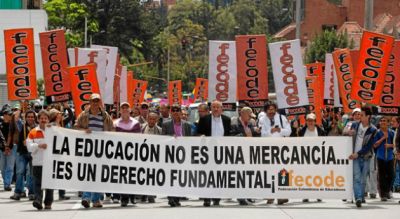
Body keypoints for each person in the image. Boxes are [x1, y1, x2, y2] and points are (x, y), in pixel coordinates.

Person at [75, 93, 114, 208]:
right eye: (93, 101)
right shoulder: (83, 114)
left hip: (101, 148)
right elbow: (75, 127)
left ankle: (96, 199)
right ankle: (86, 197)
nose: (95, 103)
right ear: (90, 102)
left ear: (100, 102)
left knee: (98, 174)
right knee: (88, 173)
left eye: (97, 101)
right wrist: (84, 130)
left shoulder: (105, 115)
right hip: (87, 147)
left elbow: (111, 128)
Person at [197, 100, 231, 207]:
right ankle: (207, 198)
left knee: (219, 175)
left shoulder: (227, 120)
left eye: (218, 107)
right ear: (211, 109)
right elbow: (198, 133)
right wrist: (201, 136)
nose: (216, 109)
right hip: (207, 152)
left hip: (222, 152)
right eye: (214, 107)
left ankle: (217, 198)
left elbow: (229, 135)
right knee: (207, 175)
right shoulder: (204, 119)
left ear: (222, 109)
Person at [162, 104, 193, 207]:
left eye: (177, 110)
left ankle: (177, 197)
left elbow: (190, 139)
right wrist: (171, 137)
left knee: (180, 176)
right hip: (170, 154)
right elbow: (163, 138)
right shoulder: (166, 124)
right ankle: (171, 197)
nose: (175, 112)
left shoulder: (187, 125)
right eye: (173, 110)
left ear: (181, 112)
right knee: (171, 176)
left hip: (183, 154)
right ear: (171, 113)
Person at [259, 102, 290, 205]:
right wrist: (270, 131)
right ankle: (270, 195)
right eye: (269, 109)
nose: (271, 111)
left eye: (273, 109)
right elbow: (262, 134)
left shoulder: (282, 118)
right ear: (266, 110)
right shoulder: (262, 119)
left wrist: (279, 130)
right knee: (269, 171)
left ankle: (282, 195)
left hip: (281, 148)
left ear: (275, 109)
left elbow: (289, 132)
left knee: (283, 171)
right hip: (268, 149)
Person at [230, 107, 261, 205]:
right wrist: (245, 136)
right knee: (240, 176)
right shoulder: (234, 124)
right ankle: (241, 196)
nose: (251, 118)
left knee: (248, 175)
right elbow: (231, 137)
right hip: (238, 153)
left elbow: (255, 137)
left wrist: (257, 132)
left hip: (249, 153)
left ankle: (248, 195)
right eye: (249, 116)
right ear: (243, 114)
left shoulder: (251, 123)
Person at [348, 107, 377, 208]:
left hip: (365, 157)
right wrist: (348, 132)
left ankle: (361, 196)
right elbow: (343, 130)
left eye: (362, 115)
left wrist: (358, 154)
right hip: (354, 157)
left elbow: (369, 146)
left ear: (368, 116)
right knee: (356, 178)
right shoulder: (354, 124)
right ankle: (358, 198)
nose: (359, 116)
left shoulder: (373, 130)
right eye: (359, 114)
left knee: (363, 179)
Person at [114, 102, 141, 207]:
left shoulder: (136, 123)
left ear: (130, 110)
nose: (125, 109)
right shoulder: (115, 123)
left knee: (132, 175)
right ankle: (124, 198)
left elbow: (139, 138)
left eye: (126, 108)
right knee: (122, 175)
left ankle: (132, 196)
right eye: (123, 108)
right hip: (120, 153)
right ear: (120, 110)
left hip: (132, 153)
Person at [26, 110, 53, 210]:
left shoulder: (53, 131)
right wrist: (39, 145)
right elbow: (29, 147)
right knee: (37, 183)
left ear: (48, 120)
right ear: (38, 120)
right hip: (37, 162)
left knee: (49, 184)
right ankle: (38, 201)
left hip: (50, 162)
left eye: (45, 118)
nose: (43, 120)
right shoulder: (33, 132)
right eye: (41, 118)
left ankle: (48, 202)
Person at [296, 113, 325, 203]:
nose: (310, 122)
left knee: (317, 176)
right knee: (305, 176)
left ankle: (318, 195)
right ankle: (305, 195)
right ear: (306, 122)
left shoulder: (320, 131)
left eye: (312, 120)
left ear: (315, 121)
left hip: (317, 157)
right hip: (305, 157)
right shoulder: (301, 131)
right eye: (308, 120)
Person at [10, 110, 36, 201]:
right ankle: (18, 192)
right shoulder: (22, 126)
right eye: (28, 116)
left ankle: (32, 193)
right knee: (20, 172)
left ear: (34, 118)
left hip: (33, 154)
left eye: (32, 117)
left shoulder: (37, 128)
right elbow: (15, 118)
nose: (30, 118)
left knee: (30, 174)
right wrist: (21, 107)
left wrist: (30, 143)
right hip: (22, 153)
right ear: (25, 118)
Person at [373, 117, 395, 201]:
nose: (383, 122)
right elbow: (374, 145)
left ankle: (388, 190)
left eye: (384, 121)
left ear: (388, 123)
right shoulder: (377, 133)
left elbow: (395, 144)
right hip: (380, 156)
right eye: (381, 121)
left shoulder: (392, 132)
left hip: (389, 156)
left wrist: (389, 145)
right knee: (381, 176)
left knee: (391, 175)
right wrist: (383, 138)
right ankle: (383, 194)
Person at [0, 108, 14, 191]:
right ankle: (6, 181)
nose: (10, 116)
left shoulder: (13, 125)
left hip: (11, 148)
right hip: (1, 149)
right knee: (2, 167)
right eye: (9, 114)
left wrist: (8, 147)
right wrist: (4, 147)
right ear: (5, 115)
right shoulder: (0, 124)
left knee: (10, 167)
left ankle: (7, 184)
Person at [392, 116, 400, 193]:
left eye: (394, 121)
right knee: (397, 170)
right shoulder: (397, 129)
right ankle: (397, 185)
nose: (392, 123)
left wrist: (398, 152)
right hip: (397, 154)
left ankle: (397, 185)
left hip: (398, 154)